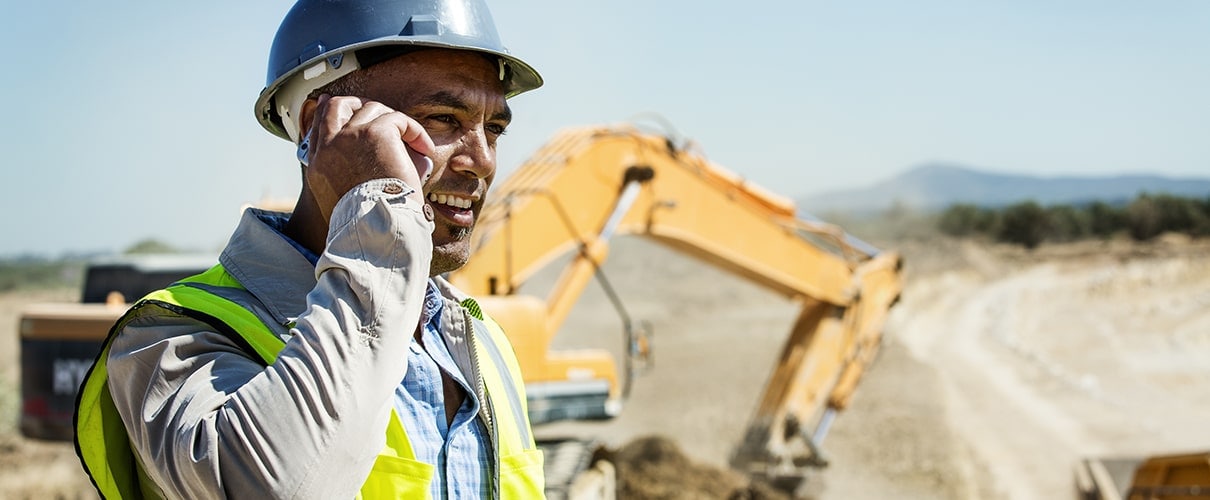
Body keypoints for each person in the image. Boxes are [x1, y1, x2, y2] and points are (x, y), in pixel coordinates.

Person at [74, 0, 546, 498]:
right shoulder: (174, 338)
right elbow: (280, 486)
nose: (483, 160)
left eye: (494, 128)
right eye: (444, 119)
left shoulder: (479, 339)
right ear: (319, 125)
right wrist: (378, 216)